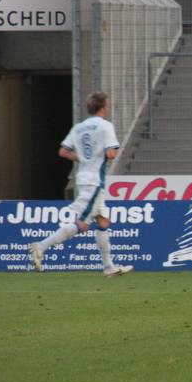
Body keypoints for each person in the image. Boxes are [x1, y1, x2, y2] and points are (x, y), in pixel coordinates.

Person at [27, 92, 132, 278]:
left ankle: (109, 267)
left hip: (83, 178)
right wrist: (114, 149)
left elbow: (63, 151)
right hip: (95, 181)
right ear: (103, 107)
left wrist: (83, 157)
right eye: (107, 105)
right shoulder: (105, 126)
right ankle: (40, 247)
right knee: (82, 225)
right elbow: (111, 154)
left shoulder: (79, 127)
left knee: (103, 222)